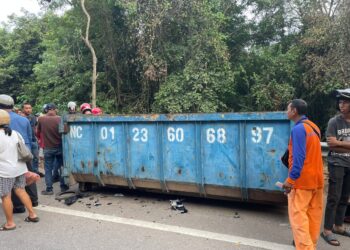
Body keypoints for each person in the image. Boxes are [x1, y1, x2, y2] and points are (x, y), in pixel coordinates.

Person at [282, 99, 324, 250]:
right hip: (317, 181)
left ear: (294, 111)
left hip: (302, 182)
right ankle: (311, 246)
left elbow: (299, 158)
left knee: (299, 221)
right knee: (313, 218)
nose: (286, 112)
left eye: (288, 109)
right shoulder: (314, 127)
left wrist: (290, 180)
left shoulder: (298, 129)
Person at [0, 109, 39, 231]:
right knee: (21, 190)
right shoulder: (15, 133)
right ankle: (32, 214)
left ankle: (10, 223)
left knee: (6, 196)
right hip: (19, 168)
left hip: (5, 171)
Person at [322, 88, 350, 246]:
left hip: (349, 164)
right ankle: (327, 230)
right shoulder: (334, 121)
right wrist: (342, 145)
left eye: (345, 102)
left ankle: (338, 226)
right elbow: (331, 145)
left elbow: (336, 143)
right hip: (337, 163)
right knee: (334, 197)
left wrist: (340, 143)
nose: (342, 105)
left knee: (345, 198)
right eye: (340, 102)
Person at [37, 103, 68, 195]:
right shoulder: (60, 119)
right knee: (62, 167)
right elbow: (65, 133)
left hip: (48, 148)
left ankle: (49, 189)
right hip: (60, 147)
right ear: (55, 109)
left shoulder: (41, 119)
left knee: (48, 169)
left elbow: (37, 132)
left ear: (46, 110)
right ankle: (63, 187)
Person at [21, 102, 42, 177]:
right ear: (23, 109)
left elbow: (35, 128)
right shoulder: (21, 118)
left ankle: (35, 172)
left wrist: (37, 138)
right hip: (25, 141)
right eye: (26, 108)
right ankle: (28, 173)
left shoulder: (33, 117)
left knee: (36, 157)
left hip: (33, 140)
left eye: (29, 108)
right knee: (27, 158)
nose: (28, 110)